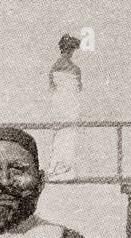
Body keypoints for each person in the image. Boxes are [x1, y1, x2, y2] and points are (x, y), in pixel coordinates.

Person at [47, 35, 83, 182]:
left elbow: (51, 87)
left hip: (58, 104)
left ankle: (56, 167)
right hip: (70, 103)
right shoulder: (75, 69)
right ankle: (64, 167)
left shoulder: (54, 67)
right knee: (69, 133)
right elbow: (79, 88)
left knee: (59, 133)